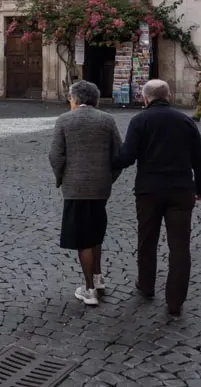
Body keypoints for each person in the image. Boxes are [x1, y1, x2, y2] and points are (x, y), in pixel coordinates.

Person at [113, 79, 201, 316]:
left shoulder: (140, 121)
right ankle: (175, 300)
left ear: (146, 98)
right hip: (180, 190)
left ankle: (146, 285)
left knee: (147, 240)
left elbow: (127, 156)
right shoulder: (185, 121)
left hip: (149, 191)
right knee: (180, 246)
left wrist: (107, 162)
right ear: (168, 96)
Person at [48, 81, 122, 306]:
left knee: (83, 238)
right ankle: (98, 278)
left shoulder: (64, 120)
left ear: (75, 99)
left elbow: (55, 155)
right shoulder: (107, 120)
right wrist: (109, 178)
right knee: (96, 232)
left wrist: (61, 178)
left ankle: (89, 289)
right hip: (100, 188)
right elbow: (119, 154)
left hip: (76, 188)